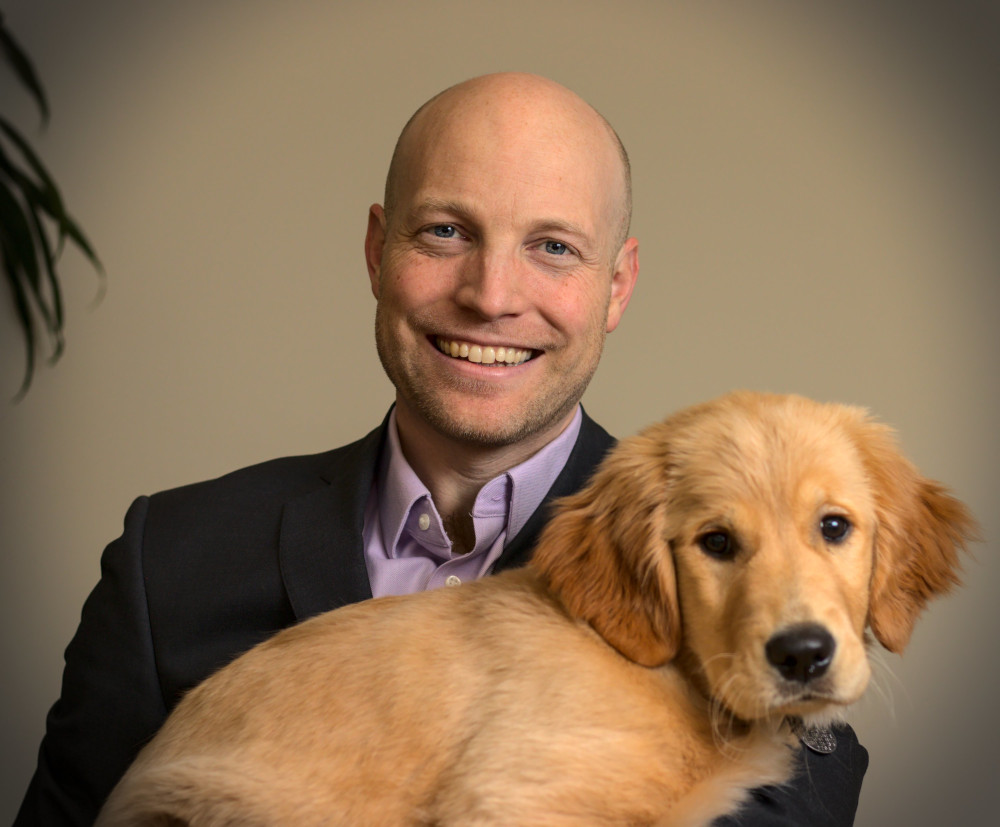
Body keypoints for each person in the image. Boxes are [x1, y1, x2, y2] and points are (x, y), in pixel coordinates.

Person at [15, 72, 867, 826]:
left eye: (553, 246)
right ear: (377, 252)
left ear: (617, 285)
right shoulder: (168, 558)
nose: (491, 296)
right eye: (446, 233)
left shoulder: (715, 540)